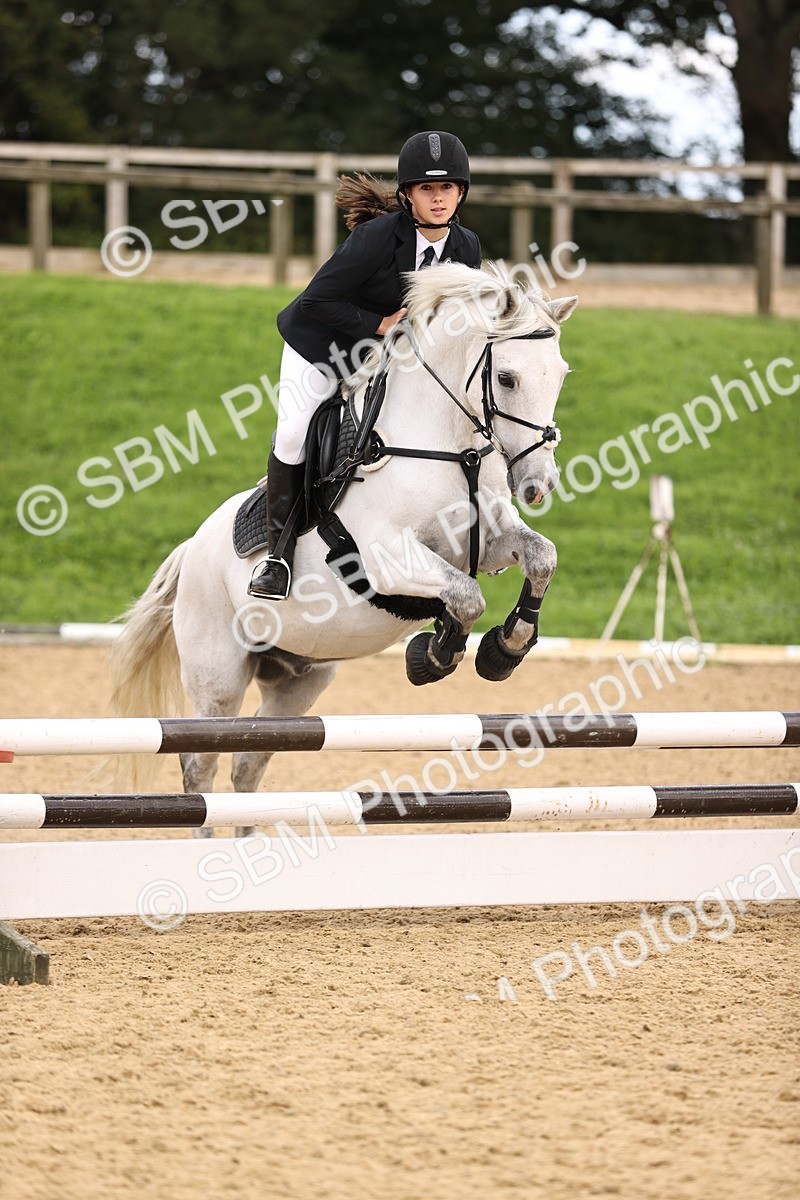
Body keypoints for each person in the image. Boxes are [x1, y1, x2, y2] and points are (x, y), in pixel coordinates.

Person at [248, 130, 482, 600]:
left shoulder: (466, 247)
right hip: (322, 344)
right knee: (295, 432)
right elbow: (316, 300)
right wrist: (379, 323)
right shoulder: (376, 239)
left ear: (461, 192)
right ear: (408, 195)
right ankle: (276, 556)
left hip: (387, 354)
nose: (438, 199)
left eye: (447, 188)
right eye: (427, 189)